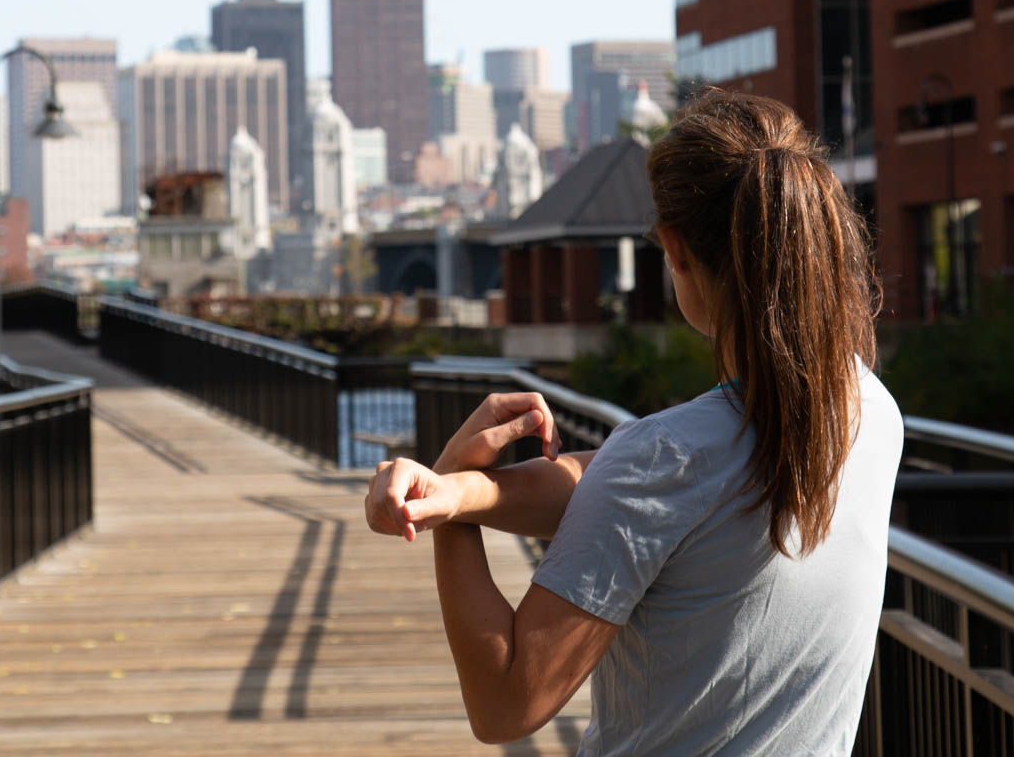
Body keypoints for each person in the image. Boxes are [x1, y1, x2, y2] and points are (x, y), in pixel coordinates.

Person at [363, 88, 902, 754]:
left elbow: (504, 706)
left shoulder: (665, 460)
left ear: (674, 250)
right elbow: (624, 486)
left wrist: (449, 522)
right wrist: (460, 492)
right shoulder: (870, 412)